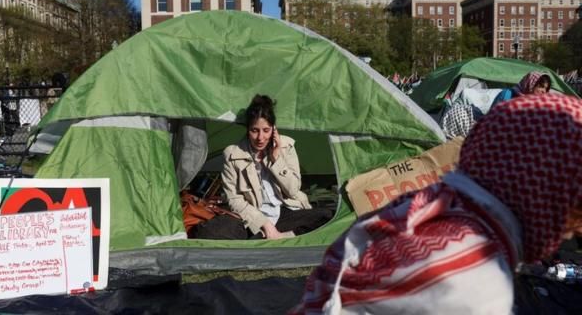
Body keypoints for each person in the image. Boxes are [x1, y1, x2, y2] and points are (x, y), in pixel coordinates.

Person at [292, 94, 582, 314]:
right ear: (543, 186)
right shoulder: (478, 278)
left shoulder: (428, 208)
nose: (573, 230)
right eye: (574, 205)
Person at [195, 95, 331, 240]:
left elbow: (293, 190)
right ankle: (268, 235)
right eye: (255, 130)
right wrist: (265, 224)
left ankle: (280, 237)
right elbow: (235, 200)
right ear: (248, 129)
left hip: (283, 213)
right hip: (252, 217)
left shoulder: (286, 147)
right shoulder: (233, 154)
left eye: (266, 130)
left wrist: (276, 159)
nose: (260, 137)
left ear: (274, 129)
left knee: (328, 216)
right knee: (208, 232)